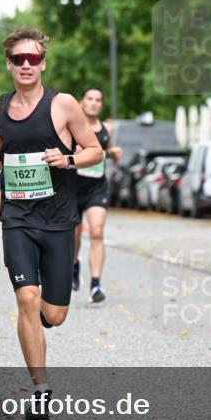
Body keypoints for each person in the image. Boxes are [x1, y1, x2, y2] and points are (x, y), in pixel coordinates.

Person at [0, 26, 102, 420]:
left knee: (54, 314)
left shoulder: (63, 105)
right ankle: (41, 390)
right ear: (8, 64)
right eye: (18, 59)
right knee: (26, 298)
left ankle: (40, 317)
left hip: (59, 220)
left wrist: (69, 160)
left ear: (42, 63)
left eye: (33, 59)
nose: (26, 65)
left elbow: (94, 150)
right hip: (17, 219)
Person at [72, 88, 122, 302]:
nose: (93, 103)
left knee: (97, 232)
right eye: (89, 99)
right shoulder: (72, 125)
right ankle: (74, 264)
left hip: (96, 187)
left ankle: (95, 284)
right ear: (81, 102)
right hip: (73, 187)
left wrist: (114, 154)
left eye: (98, 100)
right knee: (73, 237)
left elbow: (106, 150)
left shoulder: (106, 128)